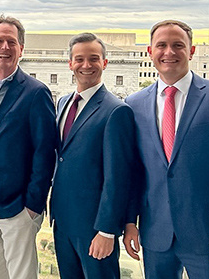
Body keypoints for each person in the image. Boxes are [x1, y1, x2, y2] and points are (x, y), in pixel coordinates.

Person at [123, 20, 209, 278]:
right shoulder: (134, 104)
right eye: (161, 45)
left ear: (191, 51)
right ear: (150, 52)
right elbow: (133, 171)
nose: (169, 52)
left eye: (178, 45)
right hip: (155, 234)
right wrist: (130, 221)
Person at [0, 16, 58, 279]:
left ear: (21, 49)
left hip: (18, 206)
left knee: (21, 275)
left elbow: (44, 152)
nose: (4, 47)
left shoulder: (36, 92)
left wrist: (33, 206)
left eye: (11, 42)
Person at [50, 33, 137, 278]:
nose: (86, 65)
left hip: (95, 227)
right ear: (70, 63)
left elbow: (118, 177)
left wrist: (107, 231)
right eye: (79, 59)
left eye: (93, 59)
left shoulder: (116, 111)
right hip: (63, 222)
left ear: (104, 63)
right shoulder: (64, 103)